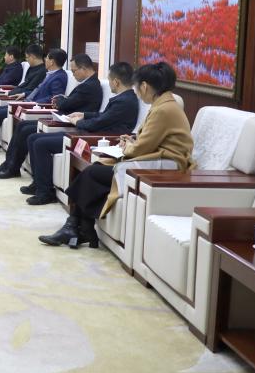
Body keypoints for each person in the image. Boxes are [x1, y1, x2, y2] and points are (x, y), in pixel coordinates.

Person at [39, 62, 193, 248]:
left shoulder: (163, 109)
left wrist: (128, 146)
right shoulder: (164, 104)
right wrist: (132, 139)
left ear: (144, 86)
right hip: (157, 158)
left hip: (165, 164)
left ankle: (78, 227)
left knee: (92, 173)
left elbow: (141, 148)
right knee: (95, 170)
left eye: (137, 87)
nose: (137, 92)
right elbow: (150, 139)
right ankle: (79, 227)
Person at [22, 62, 139, 205]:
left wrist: (77, 122)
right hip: (91, 133)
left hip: (97, 137)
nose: (109, 84)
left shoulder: (125, 101)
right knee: (33, 138)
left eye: (109, 80)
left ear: (116, 81)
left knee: (40, 143)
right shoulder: (124, 98)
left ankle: (45, 192)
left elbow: (99, 123)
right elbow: (104, 116)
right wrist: (83, 114)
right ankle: (38, 183)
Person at [0, 53, 102, 178]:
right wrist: (62, 100)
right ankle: (9, 164)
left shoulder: (89, 86)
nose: (73, 74)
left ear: (84, 69)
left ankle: (13, 167)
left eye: (74, 71)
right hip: (63, 118)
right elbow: (66, 101)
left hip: (70, 124)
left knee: (27, 130)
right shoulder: (87, 83)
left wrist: (61, 99)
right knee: (23, 125)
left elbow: (64, 103)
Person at [0, 48, 69, 152]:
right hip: (27, 101)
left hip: (35, 106)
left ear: (52, 62)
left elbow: (55, 97)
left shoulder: (59, 77)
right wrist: (25, 94)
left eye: (47, 58)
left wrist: (34, 103)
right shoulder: (51, 74)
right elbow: (37, 90)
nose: (45, 60)